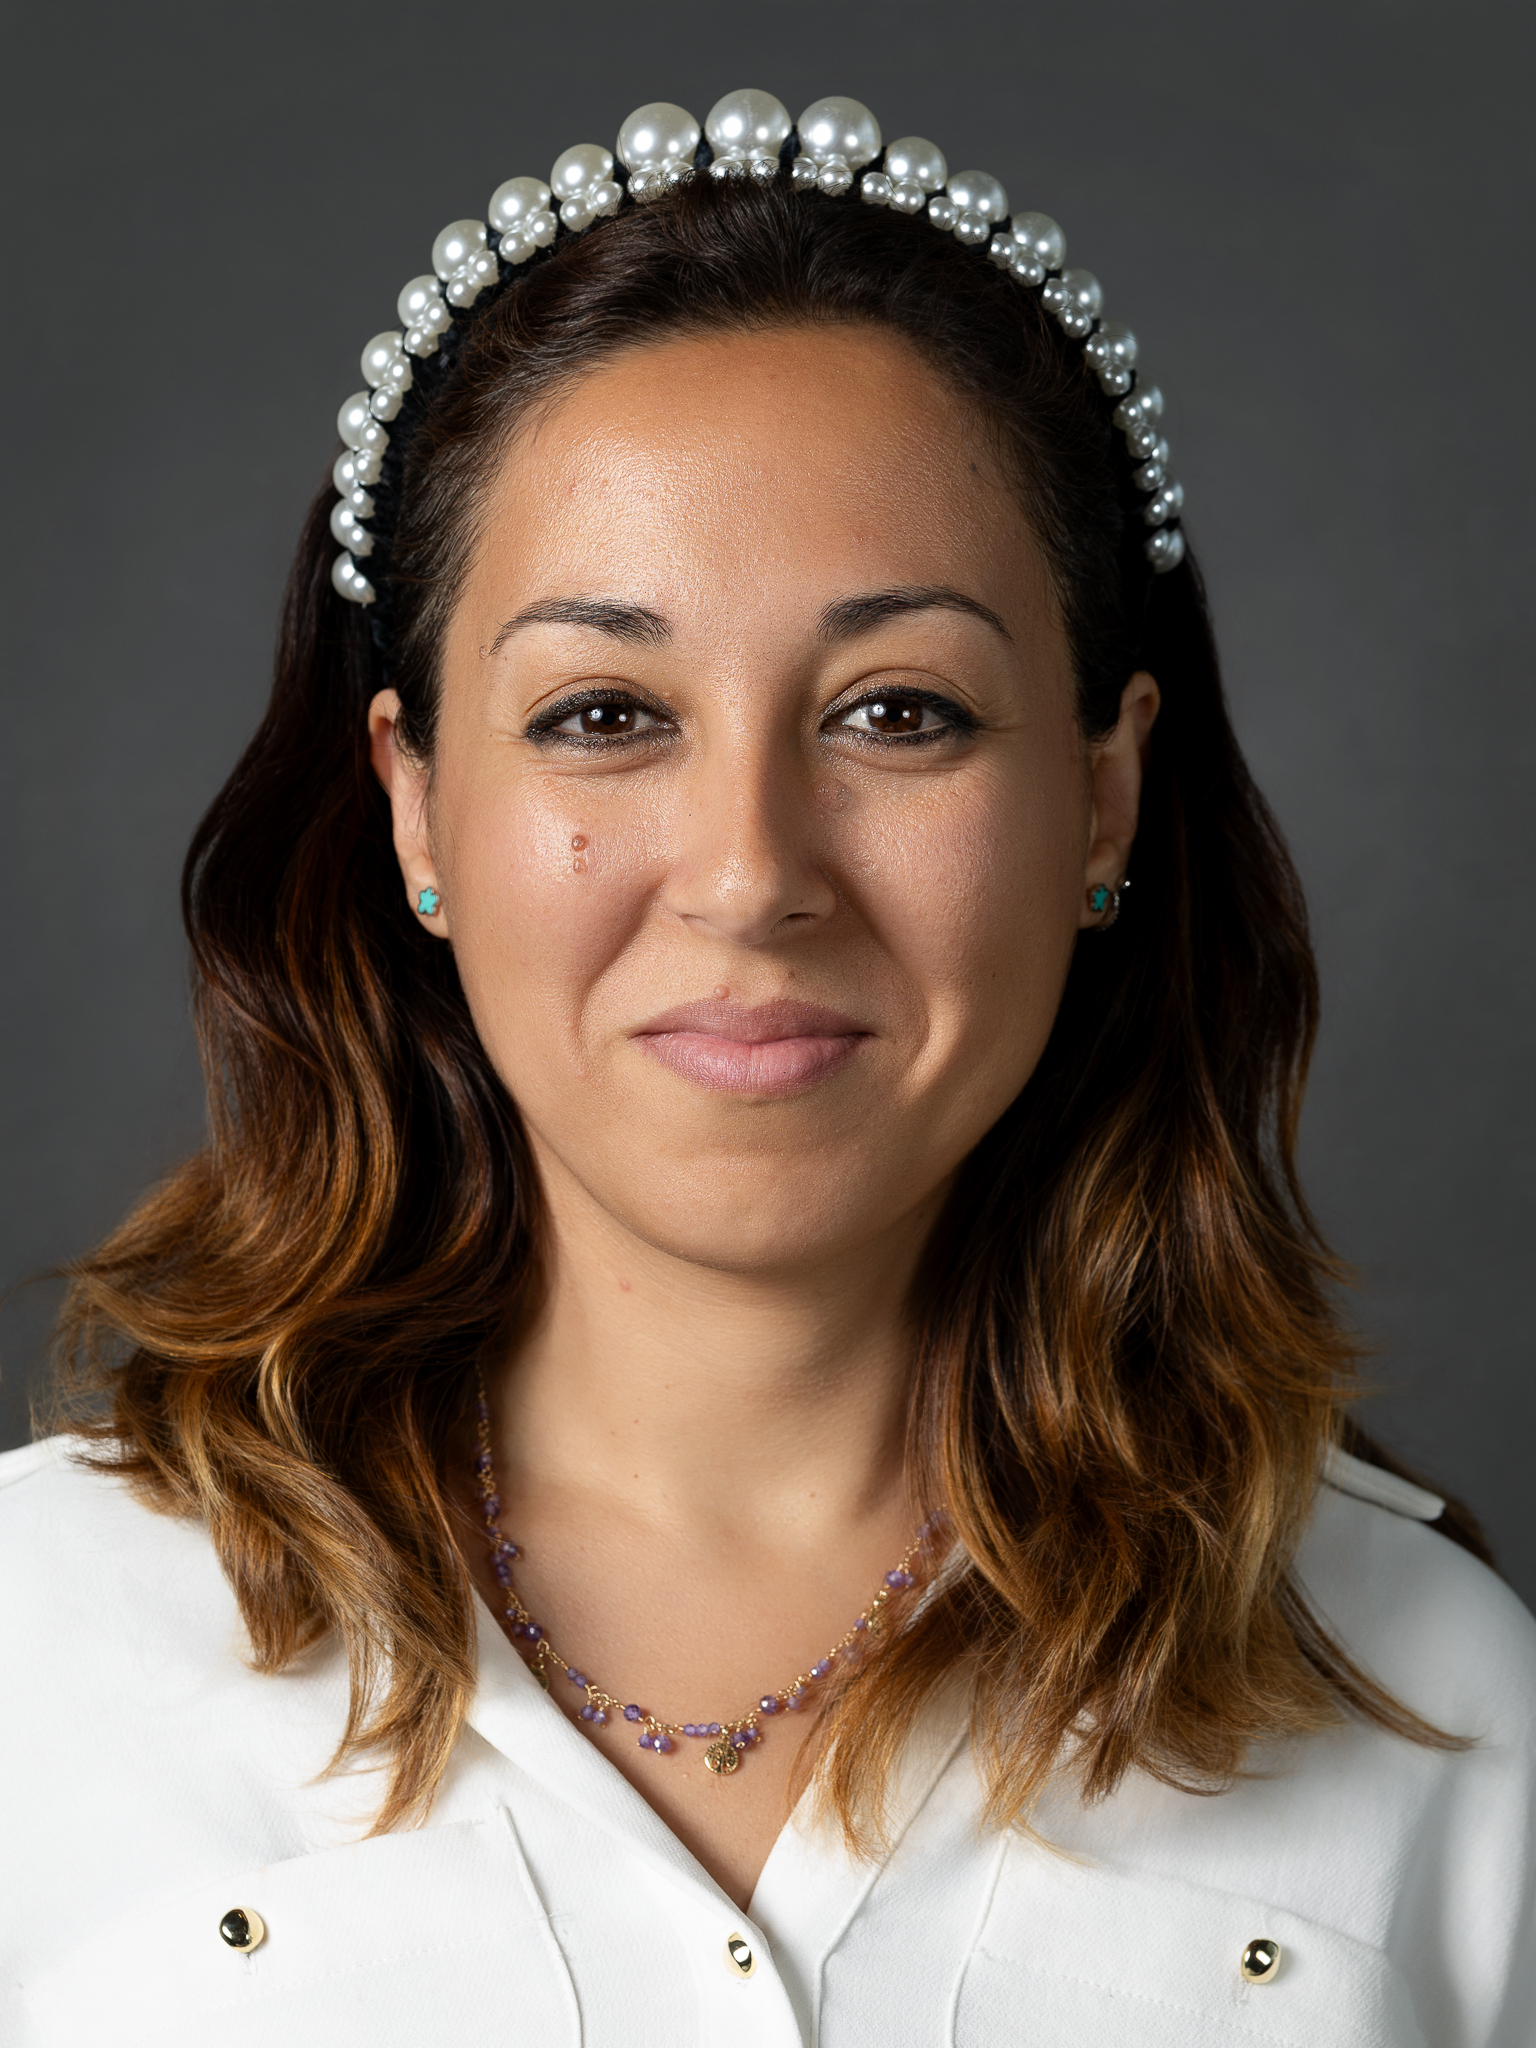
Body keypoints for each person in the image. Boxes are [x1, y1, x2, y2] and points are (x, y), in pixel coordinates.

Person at [1, 88, 1531, 2048]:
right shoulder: (35, 1655)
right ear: (415, 807)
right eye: (606, 710)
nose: (749, 870)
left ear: (1102, 792)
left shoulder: (1444, 1712)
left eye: (900, 710)